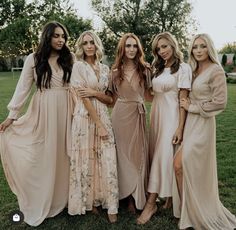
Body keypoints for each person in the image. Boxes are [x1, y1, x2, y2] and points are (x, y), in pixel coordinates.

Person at [0, 21, 74, 226]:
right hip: (44, 110)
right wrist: (11, 116)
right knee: (44, 153)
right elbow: (23, 87)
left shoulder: (70, 58)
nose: (61, 40)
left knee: (65, 154)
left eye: (63, 37)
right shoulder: (34, 59)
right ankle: (43, 197)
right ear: (47, 37)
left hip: (67, 109)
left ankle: (66, 199)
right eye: (56, 36)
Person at [173, 33, 236, 229]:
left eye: (202, 46)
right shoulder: (192, 69)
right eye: (195, 47)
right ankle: (187, 210)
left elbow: (220, 102)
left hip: (203, 124)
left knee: (182, 164)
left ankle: (197, 210)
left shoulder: (216, 70)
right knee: (180, 166)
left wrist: (192, 107)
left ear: (209, 48)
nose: (198, 50)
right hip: (190, 124)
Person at [137, 32, 192, 224]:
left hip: (173, 116)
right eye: (158, 48)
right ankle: (169, 199)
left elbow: (183, 100)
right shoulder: (157, 68)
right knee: (160, 155)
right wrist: (144, 75)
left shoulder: (183, 68)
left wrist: (180, 128)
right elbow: (152, 97)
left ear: (173, 45)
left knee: (163, 154)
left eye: (165, 46)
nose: (162, 51)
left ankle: (151, 202)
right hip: (157, 116)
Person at [68, 31, 119, 223]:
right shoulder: (78, 67)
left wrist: (94, 93)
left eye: (92, 42)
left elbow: (109, 100)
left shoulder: (105, 69)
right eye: (85, 43)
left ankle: (110, 204)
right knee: (87, 158)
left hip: (103, 114)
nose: (89, 46)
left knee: (106, 157)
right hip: (84, 117)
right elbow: (83, 97)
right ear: (81, 47)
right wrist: (98, 124)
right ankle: (91, 201)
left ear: (97, 45)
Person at [107, 33, 152, 214]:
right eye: (128, 46)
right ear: (122, 49)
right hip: (120, 116)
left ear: (138, 48)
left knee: (138, 155)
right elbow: (111, 100)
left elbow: (149, 96)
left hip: (138, 115)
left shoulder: (146, 70)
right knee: (122, 156)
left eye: (134, 46)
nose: (131, 49)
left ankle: (138, 194)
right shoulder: (115, 72)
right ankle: (127, 198)